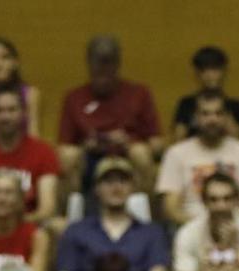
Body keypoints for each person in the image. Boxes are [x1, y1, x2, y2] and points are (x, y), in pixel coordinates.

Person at [55, 159, 171, 271]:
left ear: (132, 188)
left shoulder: (151, 232)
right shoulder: (77, 230)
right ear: (97, 188)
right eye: (108, 182)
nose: (116, 188)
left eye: (123, 181)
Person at [56, 36, 163, 190]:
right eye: (98, 62)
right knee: (68, 156)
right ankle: (70, 212)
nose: (103, 69)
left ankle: (146, 213)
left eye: (108, 62)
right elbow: (63, 147)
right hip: (89, 159)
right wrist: (87, 146)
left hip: (127, 156)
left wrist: (128, 142)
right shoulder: (74, 97)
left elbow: (158, 144)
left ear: (118, 64)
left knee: (141, 153)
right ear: (89, 64)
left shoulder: (139, 93)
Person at [157, 89, 239, 227]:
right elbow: (171, 208)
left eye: (218, 113)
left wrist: (230, 226)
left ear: (226, 117)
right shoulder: (176, 153)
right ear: (195, 118)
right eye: (205, 114)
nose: (212, 119)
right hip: (191, 228)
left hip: (236, 227)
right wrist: (202, 230)